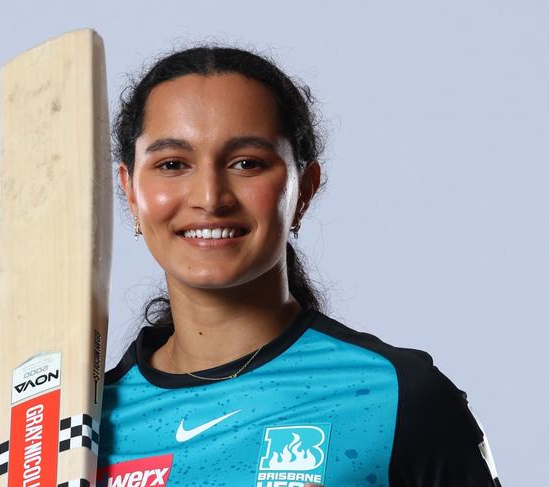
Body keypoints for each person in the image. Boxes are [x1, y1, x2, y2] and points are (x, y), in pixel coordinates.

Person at [97, 45, 502, 487]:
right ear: (132, 192)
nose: (210, 198)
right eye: (172, 164)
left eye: (246, 163)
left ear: (304, 189)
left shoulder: (399, 396)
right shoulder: (80, 427)